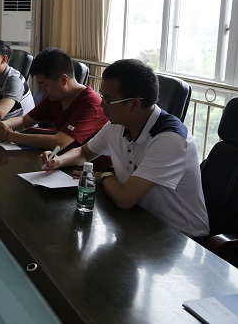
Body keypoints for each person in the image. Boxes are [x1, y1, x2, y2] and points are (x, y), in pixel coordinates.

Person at [40, 59, 209, 238]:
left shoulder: (170, 140)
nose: (101, 105)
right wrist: (58, 160)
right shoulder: (117, 124)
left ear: (134, 104)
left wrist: (105, 175)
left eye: (108, 100)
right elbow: (84, 153)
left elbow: (124, 199)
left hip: (180, 237)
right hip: (138, 222)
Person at [0, 48, 111, 168]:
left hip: (93, 171)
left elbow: (59, 142)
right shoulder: (56, 96)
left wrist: (8, 135)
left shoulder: (90, 103)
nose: (42, 90)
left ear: (64, 80)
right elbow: (25, 121)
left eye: (44, 84)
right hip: (60, 161)